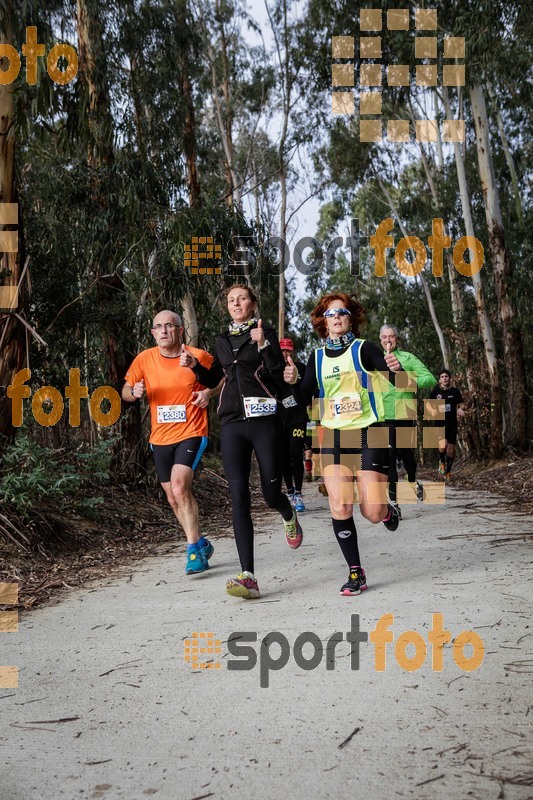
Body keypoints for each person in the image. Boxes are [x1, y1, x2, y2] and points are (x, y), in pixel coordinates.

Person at [180, 284, 303, 600]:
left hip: (265, 422)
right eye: (231, 300)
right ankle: (248, 575)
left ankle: (288, 514)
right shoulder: (222, 340)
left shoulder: (267, 334)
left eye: (242, 299)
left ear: (253, 304)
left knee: (271, 492)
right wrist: (196, 368)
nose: (236, 303)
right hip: (233, 421)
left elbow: (278, 374)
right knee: (238, 497)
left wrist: (264, 346)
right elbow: (215, 378)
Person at [284, 293, 402, 597]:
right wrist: (291, 382)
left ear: (351, 318)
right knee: (339, 503)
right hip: (335, 436)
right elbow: (302, 397)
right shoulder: (317, 357)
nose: (336, 317)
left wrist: (397, 369)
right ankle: (355, 571)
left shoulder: (364, 350)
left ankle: (386, 512)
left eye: (342, 312)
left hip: (369, 431)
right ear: (324, 321)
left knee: (372, 512)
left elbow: (397, 382)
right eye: (330, 313)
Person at [122, 310, 216, 575]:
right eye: (158, 327)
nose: (163, 331)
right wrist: (133, 392)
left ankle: (193, 553)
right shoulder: (144, 359)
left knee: (179, 485)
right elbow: (126, 390)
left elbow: (222, 378)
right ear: (153, 333)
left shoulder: (198, 356)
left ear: (179, 330)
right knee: (173, 497)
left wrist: (208, 393)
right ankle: (200, 543)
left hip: (192, 431)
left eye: (169, 326)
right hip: (159, 437)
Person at [379, 324, 437, 511]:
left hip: (405, 414)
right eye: (385, 337)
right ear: (380, 340)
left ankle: (412, 481)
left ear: (397, 339)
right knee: (388, 458)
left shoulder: (408, 358)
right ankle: (394, 504)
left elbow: (430, 379)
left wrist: (406, 379)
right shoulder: (375, 360)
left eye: (392, 337)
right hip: (382, 418)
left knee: (407, 457)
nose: (388, 340)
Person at [279, 338, 308, 512]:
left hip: (298, 419)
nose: (285, 354)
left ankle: (298, 493)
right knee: (283, 457)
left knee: (295, 454)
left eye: (288, 350)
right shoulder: (274, 369)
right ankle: (289, 491)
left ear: (293, 351)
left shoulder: (301, 368)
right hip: (279, 420)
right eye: (282, 351)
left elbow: (306, 393)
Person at [429, 369, 465, 481]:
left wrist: (460, 409)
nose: (445, 378)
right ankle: (442, 461)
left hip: (452, 423)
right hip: (439, 422)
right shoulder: (435, 391)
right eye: (442, 377)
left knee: (451, 449)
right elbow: (428, 405)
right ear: (439, 380)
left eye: (446, 376)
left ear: (449, 378)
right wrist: (431, 411)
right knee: (443, 445)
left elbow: (462, 404)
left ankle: (448, 472)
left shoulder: (455, 391)